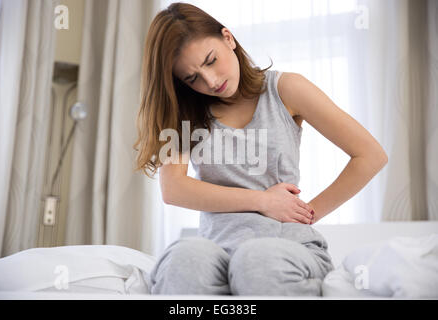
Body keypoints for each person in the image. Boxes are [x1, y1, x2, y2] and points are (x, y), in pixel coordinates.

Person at [133, 2, 387, 296]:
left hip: (284, 249)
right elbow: (173, 189)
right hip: (217, 249)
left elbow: (370, 155)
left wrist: (306, 213)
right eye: (192, 78)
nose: (211, 81)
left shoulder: (286, 89)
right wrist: (263, 201)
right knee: (182, 260)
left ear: (228, 38)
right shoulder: (184, 112)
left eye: (211, 60)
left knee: (255, 260)